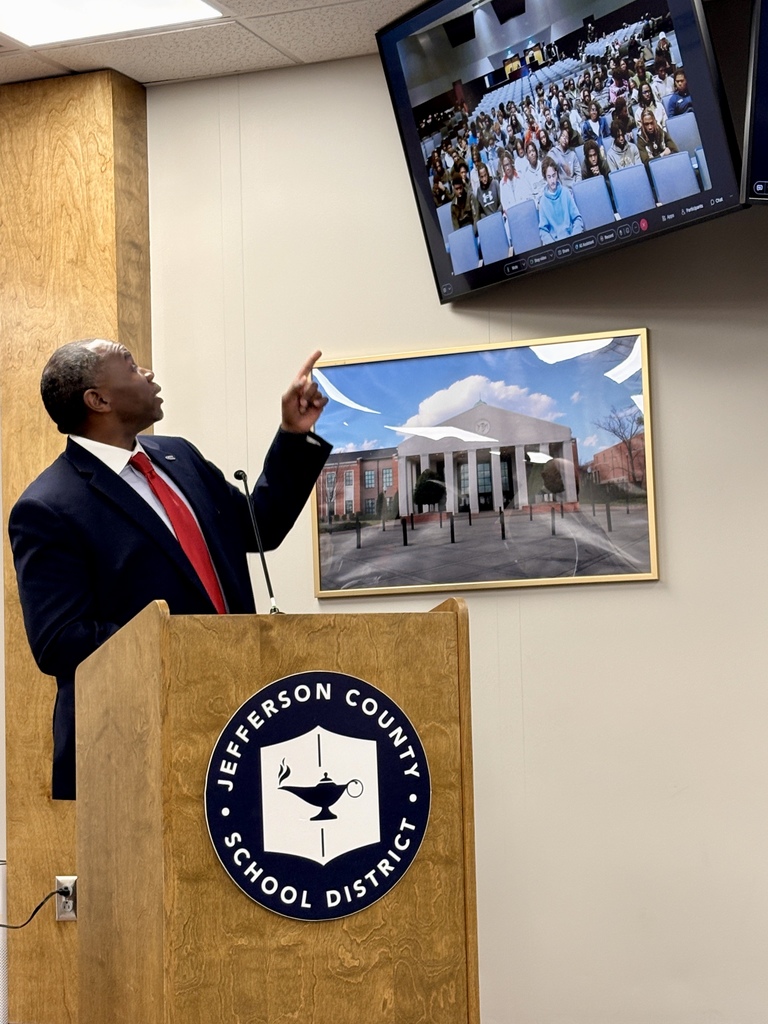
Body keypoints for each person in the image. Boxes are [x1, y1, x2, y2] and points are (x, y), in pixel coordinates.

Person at [9, 339, 332, 799]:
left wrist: (293, 436)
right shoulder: (48, 506)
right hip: (132, 745)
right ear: (98, 400)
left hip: (237, 716)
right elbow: (60, 642)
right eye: (130, 365)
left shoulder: (180, 457)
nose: (148, 372)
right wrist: (187, 645)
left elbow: (261, 527)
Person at [538, 156, 584, 243]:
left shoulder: (565, 192)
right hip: (555, 244)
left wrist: (574, 238)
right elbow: (543, 231)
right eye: (549, 177)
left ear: (557, 174)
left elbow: (577, 219)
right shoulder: (543, 201)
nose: (552, 180)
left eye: (553, 175)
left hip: (572, 239)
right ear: (545, 178)